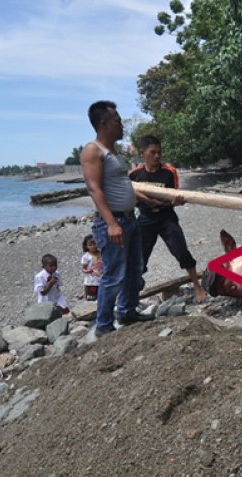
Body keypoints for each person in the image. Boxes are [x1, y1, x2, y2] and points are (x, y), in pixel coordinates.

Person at [80, 100, 154, 337]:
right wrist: (111, 223)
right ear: (104, 123)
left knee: (135, 268)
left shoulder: (115, 152)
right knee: (114, 274)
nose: (121, 125)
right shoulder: (93, 150)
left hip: (129, 219)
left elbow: (124, 186)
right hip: (113, 223)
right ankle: (103, 325)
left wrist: (154, 199)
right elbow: (94, 188)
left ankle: (127, 311)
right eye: (117, 121)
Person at [129, 135, 206, 302]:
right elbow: (131, 199)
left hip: (166, 217)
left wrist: (176, 201)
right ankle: (132, 294)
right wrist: (145, 201)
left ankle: (197, 286)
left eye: (159, 152)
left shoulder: (169, 172)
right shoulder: (134, 175)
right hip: (146, 218)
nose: (157, 156)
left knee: (182, 251)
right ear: (143, 153)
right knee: (138, 258)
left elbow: (174, 196)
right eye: (153, 152)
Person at [80, 234, 103, 301]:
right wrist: (87, 271)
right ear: (86, 246)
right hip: (91, 282)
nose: (93, 246)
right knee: (92, 298)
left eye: (94, 244)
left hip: (101, 280)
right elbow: (83, 269)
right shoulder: (86, 256)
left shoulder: (101, 254)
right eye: (90, 245)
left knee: (102, 297)